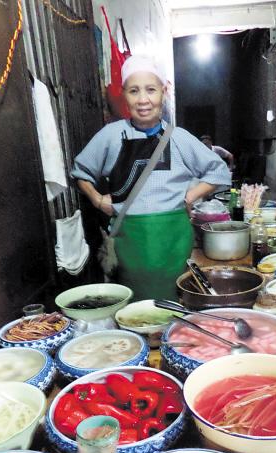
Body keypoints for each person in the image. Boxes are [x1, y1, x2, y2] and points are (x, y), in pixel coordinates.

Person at [71, 56, 231, 300]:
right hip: (129, 242)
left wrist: (190, 196)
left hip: (173, 241)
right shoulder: (110, 136)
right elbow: (80, 172)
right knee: (131, 307)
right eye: (134, 91)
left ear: (163, 93)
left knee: (174, 303)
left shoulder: (179, 137)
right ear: (124, 95)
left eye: (151, 90)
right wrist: (97, 200)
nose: (143, 99)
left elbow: (218, 170)